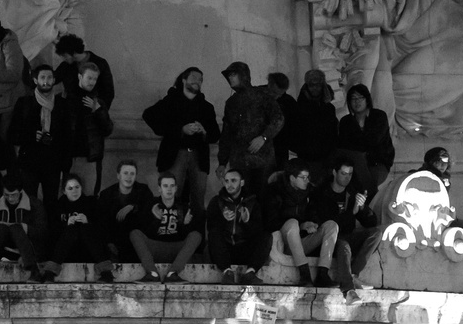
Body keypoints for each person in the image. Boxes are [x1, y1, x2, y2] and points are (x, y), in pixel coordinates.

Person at [142, 67, 220, 213]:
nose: (198, 81)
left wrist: (204, 131)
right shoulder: (171, 101)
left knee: (198, 199)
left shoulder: (206, 107)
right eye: (194, 77)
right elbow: (149, 115)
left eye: (201, 79)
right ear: (184, 80)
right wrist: (180, 130)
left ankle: (197, 233)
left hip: (199, 156)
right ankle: (171, 231)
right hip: (175, 154)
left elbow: (215, 135)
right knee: (171, 197)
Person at [9, 65, 72, 215]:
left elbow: (67, 136)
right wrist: (31, 136)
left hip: (53, 162)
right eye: (43, 77)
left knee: (51, 202)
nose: (46, 81)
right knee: (29, 201)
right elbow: (12, 133)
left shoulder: (62, 105)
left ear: (54, 80)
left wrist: (65, 165)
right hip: (29, 161)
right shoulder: (24, 103)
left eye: (49, 77)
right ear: (35, 79)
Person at [311, 156, 376, 296]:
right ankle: (348, 290)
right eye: (343, 173)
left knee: (376, 233)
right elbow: (329, 224)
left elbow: (370, 222)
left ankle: (354, 274)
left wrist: (363, 208)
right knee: (344, 245)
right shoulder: (322, 193)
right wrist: (351, 212)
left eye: (350, 174)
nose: (347, 177)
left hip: (348, 236)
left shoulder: (352, 193)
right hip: (329, 240)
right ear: (334, 172)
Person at [268, 160, 337, 286]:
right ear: (292, 178)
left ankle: (323, 273)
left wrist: (313, 223)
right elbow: (270, 222)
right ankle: (304, 274)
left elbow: (314, 212)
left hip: (302, 241)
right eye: (303, 177)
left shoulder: (310, 192)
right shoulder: (275, 191)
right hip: (285, 241)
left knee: (332, 225)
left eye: (307, 177)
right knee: (292, 223)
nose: (307, 180)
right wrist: (301, 225)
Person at [217, 62, 283, 193]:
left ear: (243, 75)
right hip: (239, 162)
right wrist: (222, 162)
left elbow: (278, 118)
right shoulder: (231, 103)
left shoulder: (263, 96)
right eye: (229, 75)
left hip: (263, 160)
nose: (230, 78)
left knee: (264, 199)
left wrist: (264, 137)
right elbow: (226, 134)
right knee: (242, 200)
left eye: (233, 74)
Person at [129, 172, 202, 283]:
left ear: (176, 188)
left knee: (196, 235)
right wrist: (156, 220)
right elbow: (146, 232)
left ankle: (173, 274)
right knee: (134, 233)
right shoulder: (151, 205)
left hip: (176, 249)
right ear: (159, 188)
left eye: (172, 186)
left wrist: (184, 225)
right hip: (155, 248)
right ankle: (152, 273)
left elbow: (185, 236)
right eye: (165, 186)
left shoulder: (183, 207)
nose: (169, 189)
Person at [0, 174, 45, 283]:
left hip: (27, 249)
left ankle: (34, 271)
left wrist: (23, 227)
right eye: (7, 195)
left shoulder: (34, 205)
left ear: (21, 191)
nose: (11, 198)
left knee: (16, 228)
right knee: (1, 228)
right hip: (2, 250)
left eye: (14, 195)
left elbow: (42, 232)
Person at [43, 175, 113, 282]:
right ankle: (50, 272)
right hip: (65, 252)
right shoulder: (57, 206)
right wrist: (66, 224)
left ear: (81, 188)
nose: (74, 191)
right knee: (71, 230)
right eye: (70, 188)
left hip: (89, 250)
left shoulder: (91, 203)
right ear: (64, 191)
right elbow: (51, 232)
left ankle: (106, 273)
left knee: (85, 228)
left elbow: (103, 229)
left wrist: (87, 222)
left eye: (77, 187)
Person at [206, 167, 268, 285]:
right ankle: (227, 272)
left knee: (266, 236)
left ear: (242, 182)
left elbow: (258, 231)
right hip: (225, 250)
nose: (229, 184)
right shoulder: (217, 201)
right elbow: (211, 228)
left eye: (234, 180)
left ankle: (250, 273)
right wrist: (223, 219)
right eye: (227, 181)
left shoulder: (252, 202)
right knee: (214, 234)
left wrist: (246, 221)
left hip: (244, 248)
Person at [335, 84, 394, 197]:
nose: (357, 102)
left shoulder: (379, 116)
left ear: (367, 99)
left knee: (361, 181)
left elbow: (374, 140)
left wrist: (358, 145)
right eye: (353, 99)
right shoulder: (346, 121)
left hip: (378, 161)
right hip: (353, 163)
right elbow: (344, 144)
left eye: (360, 98)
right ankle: (369, 202)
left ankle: (370, 198)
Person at [66, 63, 114, 195]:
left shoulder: (98, 102)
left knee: (89, 194)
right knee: (68, 195)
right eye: (89, 78)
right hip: (68, 156)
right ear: (80, 76)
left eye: (95, 79)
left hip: (90, 156)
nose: (92, 82)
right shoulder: (66, 100)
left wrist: (98, 111)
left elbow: (108, 130)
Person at [96, 159, 155, 264]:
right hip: (114, 241)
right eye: (125, 173)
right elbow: (102, 222)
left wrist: (133, 206)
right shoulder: (106, 194)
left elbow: (149, 212)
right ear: (118, 175)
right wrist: (109, 242)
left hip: (136, 241)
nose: (129, 177)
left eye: (132, 173)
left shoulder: (143, 190)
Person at [289, 69, 338, 167]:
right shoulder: (300, 107)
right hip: (306, 157)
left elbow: (333, 131)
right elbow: (294, 131)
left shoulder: (329, 108)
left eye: (318, 85)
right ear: (307, 85)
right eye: (311, 85)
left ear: (322, 86)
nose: (315, 88)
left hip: (327, 157)